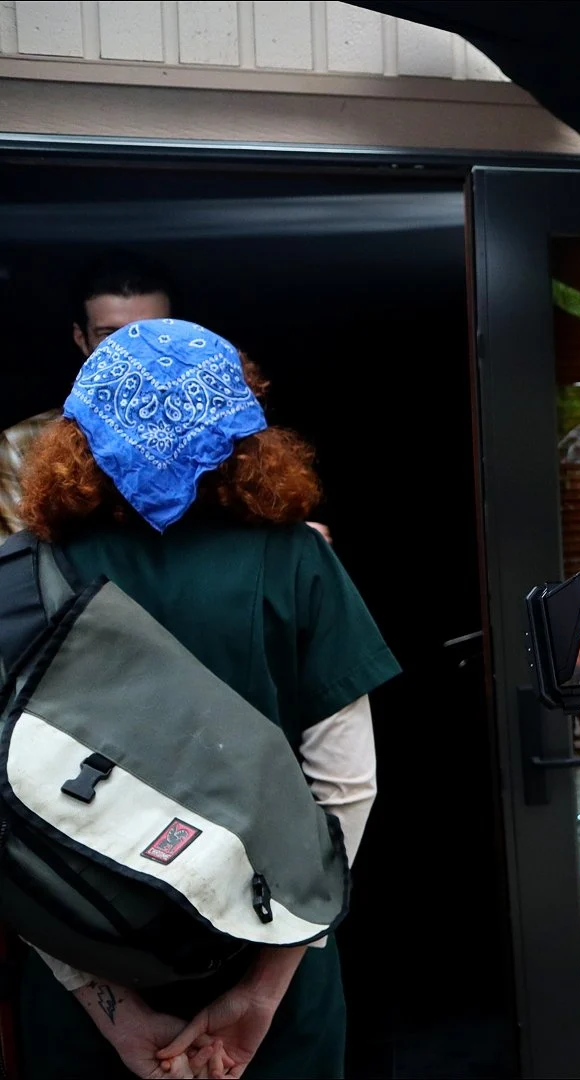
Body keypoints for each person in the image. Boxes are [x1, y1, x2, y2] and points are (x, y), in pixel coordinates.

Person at [14, 318, 400, 1079]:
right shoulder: (298, 561)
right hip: (265, 965)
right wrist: (263, 992)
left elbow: (8, 823)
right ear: (241, 425)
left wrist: (109, 1009)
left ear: (77, 430)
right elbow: (347, 788)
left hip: (84, 984)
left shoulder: (16, 584)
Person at [0, 250, 174, 538]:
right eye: (110, 335)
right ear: (82, 339)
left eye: (150, 333)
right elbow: (19, 574)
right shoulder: (23, 446)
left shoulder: (219, 438)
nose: (131, 352)